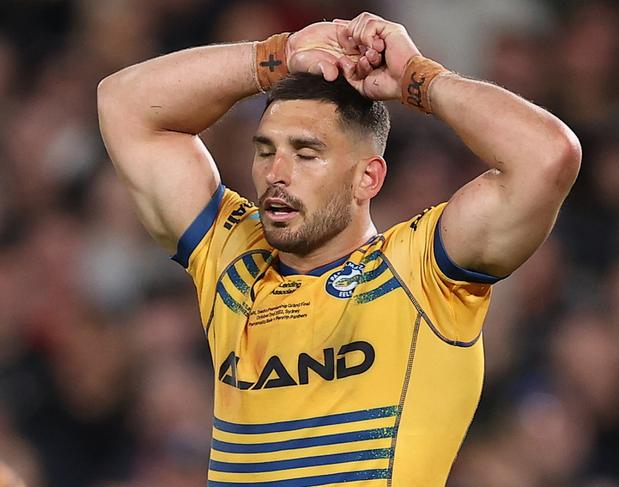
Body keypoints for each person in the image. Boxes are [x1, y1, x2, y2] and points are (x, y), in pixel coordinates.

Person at [98, 12, 581, 487]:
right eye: (265, 150)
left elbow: (547, 156)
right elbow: (123, 104)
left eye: (306, 154)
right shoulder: (232, 259)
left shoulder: (421, 271)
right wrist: (278, 56)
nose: (276, 173)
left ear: (367, 178)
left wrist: (418, 78)